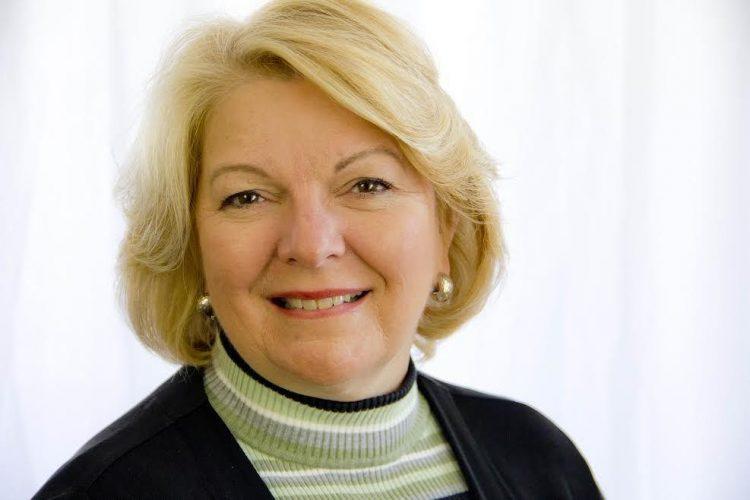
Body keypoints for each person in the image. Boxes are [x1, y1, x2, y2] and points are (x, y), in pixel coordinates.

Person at [34, 0, 602, 498]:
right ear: (191, 246)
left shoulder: (541, 463)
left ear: (445, 228)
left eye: (368, 185)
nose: (311, 246)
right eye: (248, 196)